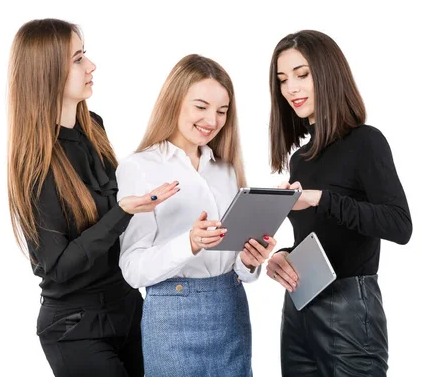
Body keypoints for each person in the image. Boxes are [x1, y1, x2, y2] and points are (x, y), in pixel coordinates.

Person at [6, 18, 179, 377]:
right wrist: (123, 212)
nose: (91, 66)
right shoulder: (35, 164)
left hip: (129, 309)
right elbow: (58, 267)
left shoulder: (93, 127)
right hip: (76, 329)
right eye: (78, 58)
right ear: (47, 71)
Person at [116, 54, 275, 376]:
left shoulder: (227, 169)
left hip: (231, 309)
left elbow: (239, 269)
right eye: (201, 107)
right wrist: (189, 242)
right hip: (171, 316)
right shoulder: (139, 168)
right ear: (175, 101)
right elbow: (132, 270)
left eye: (222, 111)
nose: (212, 120)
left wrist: (249, 261)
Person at [265, 30, 413, 376]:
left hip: (349, 311)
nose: (291, 89)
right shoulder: (300, 159)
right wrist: (285, 255)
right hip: (299, 305)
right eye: (283, 80)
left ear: (328, 73)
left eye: (302, 74)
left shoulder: (366, 142)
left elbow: (399, 224)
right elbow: (319, 236)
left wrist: (321, 199)